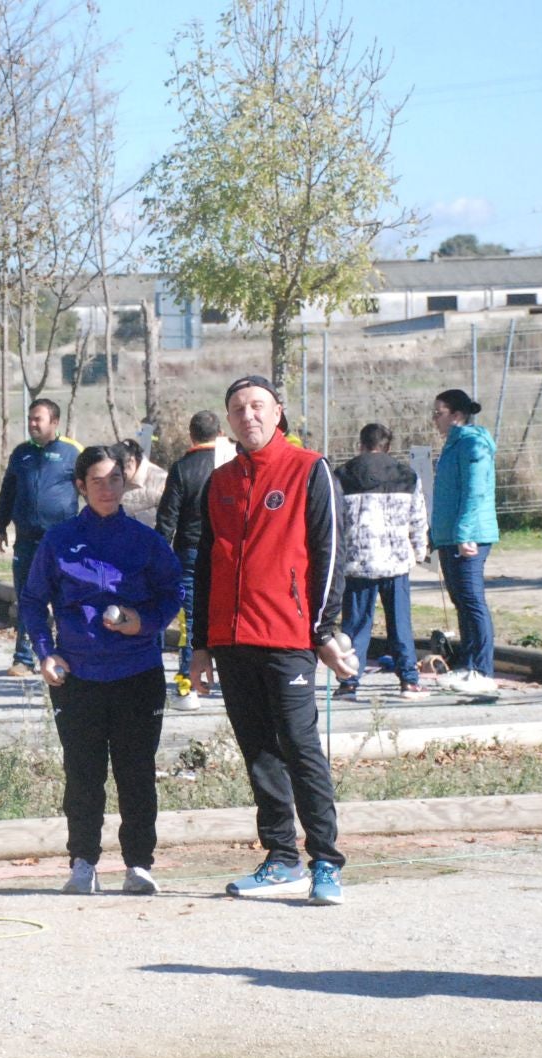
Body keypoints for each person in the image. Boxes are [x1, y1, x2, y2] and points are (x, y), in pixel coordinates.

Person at [189, 375, 358, 907]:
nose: (249, 416)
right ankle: (281, 857)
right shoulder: (219, 482)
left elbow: (331, 554)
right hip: (231, 638)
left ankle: (326, 862)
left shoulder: (309, 469)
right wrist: (200, 643)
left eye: (258, 406)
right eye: (238, 409)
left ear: (277, 411)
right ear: (228, 421)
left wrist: (323, 630)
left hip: (287, 636)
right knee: (258, 751)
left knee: (300, 747)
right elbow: (204, 565)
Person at [19, 443, 183, 896]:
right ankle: (83, 861)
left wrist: (143, 623)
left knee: (136, 772)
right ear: (80, 486)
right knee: (83, 773)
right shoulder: (58, 540)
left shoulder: (146, 540)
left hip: (137, 674)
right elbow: (33, 600)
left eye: (115, 479)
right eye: (97, 481)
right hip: (79, 677)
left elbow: (173, 591)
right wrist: (45, 652)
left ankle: (139, 864)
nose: (107, 489)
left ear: (126, 482)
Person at [336, 422, 430, 699]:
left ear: (361, 445)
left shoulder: (342, 475)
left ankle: (349, 682)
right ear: (388, 447)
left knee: (355, 626)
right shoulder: (407, 475)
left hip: (357, 562)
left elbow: (334, 520)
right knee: (400, 623)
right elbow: (418, 517)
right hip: (396, 562)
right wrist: (419, 550)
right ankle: (409, 681)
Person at [0, 399, 80, 676]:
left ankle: (67, 655)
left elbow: (91, 490)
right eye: (30, 419)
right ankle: (23, 658)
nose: (32, 424)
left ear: (54, 422)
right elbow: (8, 491)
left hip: (62, 544)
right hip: (27, 541)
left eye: (38, 419)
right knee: (27, 598)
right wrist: (0, 526)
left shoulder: (72, 453)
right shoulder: (21, 454)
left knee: (64, 598)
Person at [428, 389, 500, 695]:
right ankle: (467, 665)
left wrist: (464, 533)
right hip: (449, 536)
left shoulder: (473, 445)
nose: (434, 420)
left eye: (438, 413)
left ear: (456, 415)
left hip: (468, 536)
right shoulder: (452, 444)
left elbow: (475, 492)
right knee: (461, 602)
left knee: (472, 602)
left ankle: (483, 670)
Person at [155, 410, 223, 711]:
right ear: (219, 433)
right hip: (226, 552)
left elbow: (167, 519)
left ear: (191, 435)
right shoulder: (231, 464)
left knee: (191, 621)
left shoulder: (182, 469)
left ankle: (187, 686)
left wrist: (158, 555)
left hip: (191, 553)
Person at [117, 435, 167, 527]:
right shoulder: (115, 479)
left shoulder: (161, 480)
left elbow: (167, 519)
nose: (117, 476)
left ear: (131, 462)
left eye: (120, 471)